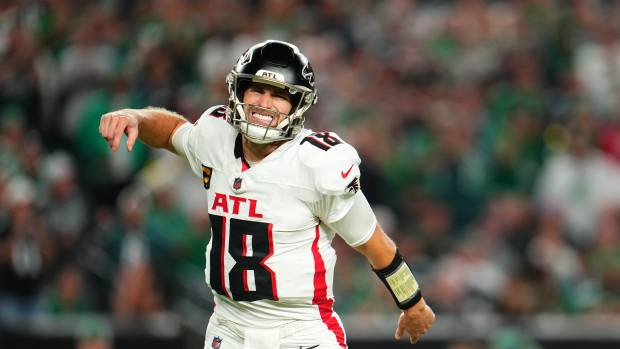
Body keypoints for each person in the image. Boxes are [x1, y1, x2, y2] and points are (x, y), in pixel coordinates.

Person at [99, 40, 435, 348]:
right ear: (238, 92)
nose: (263, 102)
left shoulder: (316, 164)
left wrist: (413, 302)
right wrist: (136, 117)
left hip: (300, 332)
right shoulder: (215, 137)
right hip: (228, 326)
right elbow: (172, 131)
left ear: (297, 105)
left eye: (278, 94)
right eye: (256, 90)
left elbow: (375, 244)